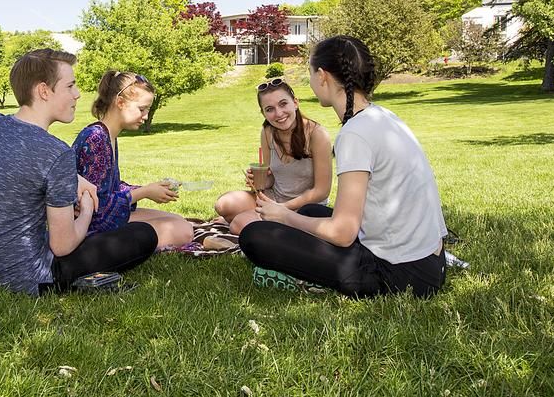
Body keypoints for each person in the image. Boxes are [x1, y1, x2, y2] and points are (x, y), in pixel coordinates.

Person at [238, 36, 448, 298]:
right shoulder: (382, 115)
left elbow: (343, 232)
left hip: (403, 275)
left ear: (322, 76)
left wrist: (284, 216)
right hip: (431, 260)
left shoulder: (354, 134)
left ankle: (305, 278)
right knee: (311, 210)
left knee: (255, 236)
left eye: (310, 74)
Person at [0, 49, 158, 295]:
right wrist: (86, 208)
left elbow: (23, 163)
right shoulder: (56, 153)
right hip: (28, 278)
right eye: (70, 86)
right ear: (44, 91)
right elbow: (62, 246)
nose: (78, 93)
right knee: (144, 235)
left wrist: (76, 178)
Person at [71, 71, 195, 249]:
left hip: (103, 219)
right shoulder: (96, 137)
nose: (145, 117)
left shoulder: (107, 135)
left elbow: (108, 188)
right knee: (182, 230)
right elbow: (97, 206)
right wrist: (144, 192)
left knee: (178, 221)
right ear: (120, 102)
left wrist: (151, 189)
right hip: (91, 228)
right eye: (142, 109)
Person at [213, 78, 332, 234]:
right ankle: (254, 221)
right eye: (270, 109)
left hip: (304, 207)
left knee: (239, 225)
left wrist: (282, 209)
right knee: (224, 204)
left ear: (295, 103)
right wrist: (258, 180)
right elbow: (270, 180)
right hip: (274, 197)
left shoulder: (317, 134)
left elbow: (321, 191)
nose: (278, 114)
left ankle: (251, 222)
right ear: (263, 113)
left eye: (283, 104)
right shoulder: (268, 132)